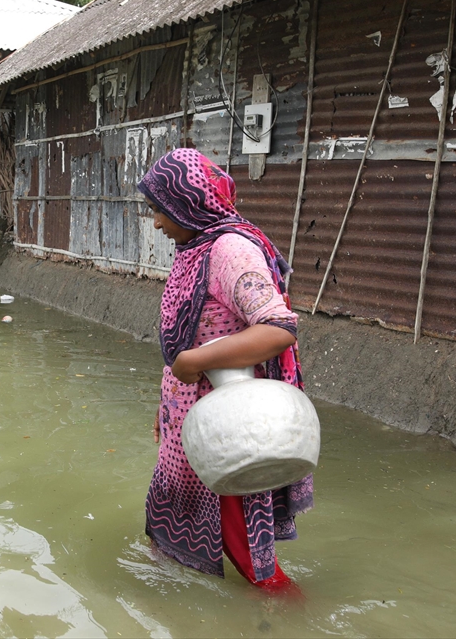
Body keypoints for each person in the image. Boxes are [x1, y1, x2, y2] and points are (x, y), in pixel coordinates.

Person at [136, 148, 312, 592]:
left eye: (159, 210)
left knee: (248, 551)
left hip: (227, 425)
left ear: (187, 202)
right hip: (189, 419)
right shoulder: (193, 246)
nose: (155, 222)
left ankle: (284, 612)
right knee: (171, 518)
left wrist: (195, 362)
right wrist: (167, 409)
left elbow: (278, 328)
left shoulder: (230, 250)